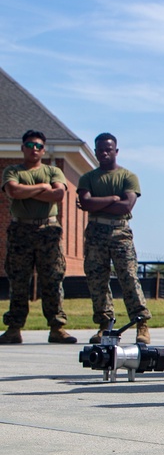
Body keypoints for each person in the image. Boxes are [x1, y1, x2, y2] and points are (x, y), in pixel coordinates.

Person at [0, 131, 77, 344]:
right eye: (29, 144)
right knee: (18, 280)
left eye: (38, 145)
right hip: (20, 231)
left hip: (48, 231)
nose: (34, 148)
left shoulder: (53, 171)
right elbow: (13, 191)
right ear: (22, 148)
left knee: (52, 280)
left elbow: (58, 195)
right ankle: (14, 329)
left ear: (43, 150)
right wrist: (43, 188)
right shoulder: (13, 170)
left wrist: (33, 191)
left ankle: (57, 328)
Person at [77, 133, 152, 344]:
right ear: (95, 151)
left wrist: (98, 202)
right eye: (100, 149)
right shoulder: (88, 178)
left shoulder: (128, 177)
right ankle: (104, 325)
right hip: (95, 233)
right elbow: (86, 204)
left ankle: (141, 324)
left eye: (108, 149)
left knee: (128, 277)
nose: (104, 153)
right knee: (97, 280)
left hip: (120, 233)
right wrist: (112, 199)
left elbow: (126, 206)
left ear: (116, 151)